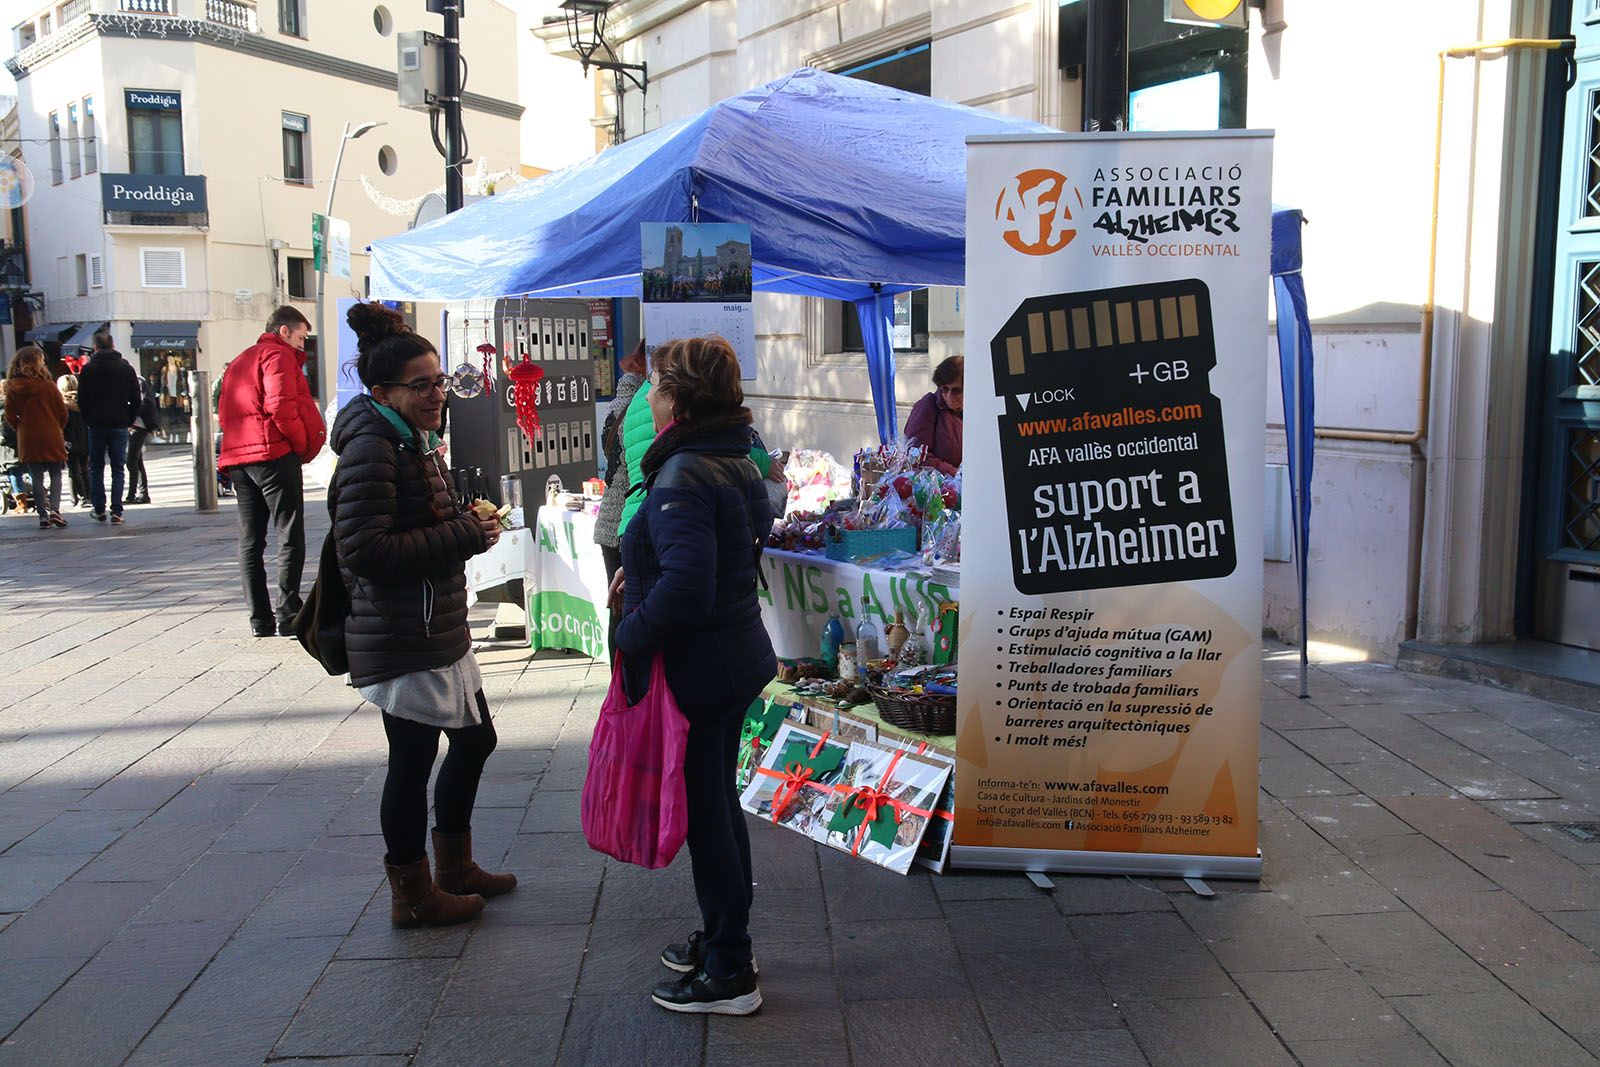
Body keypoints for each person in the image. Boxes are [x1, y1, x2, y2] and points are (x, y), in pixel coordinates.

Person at [332, 301, 515, 929]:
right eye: (422, 386)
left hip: (434, 625)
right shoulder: (372, 448)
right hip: (402, 632)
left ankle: (454, 867)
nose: (437, 394)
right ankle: (413, 893)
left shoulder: (409, 438)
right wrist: (463, 533)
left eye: (440, 381)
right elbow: (366, 550)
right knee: (410, 764)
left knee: (475, 739)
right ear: (383, 392)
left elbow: (415, 526)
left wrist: (467, 527)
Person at [615, 335, 776, 1016]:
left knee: (708, 813)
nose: (649, 396)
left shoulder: (685, 470)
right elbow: (738, 538)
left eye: (656, 386)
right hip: (733, 654)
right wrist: (647, 568)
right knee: (717, 805)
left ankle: (731, 968)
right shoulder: (732, 455)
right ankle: (724, 936)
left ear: (677, 398)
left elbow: (689, 587)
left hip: (705, 664)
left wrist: (630, 632)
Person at [218, 307, 327, 638]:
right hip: (273, 454)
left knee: (250, 540)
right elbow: (280, 406)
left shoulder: (240, 360)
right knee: (289, 533)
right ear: (283, 331)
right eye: (300, 337)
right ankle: (287, 611)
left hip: (240, 458)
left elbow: (225, 409)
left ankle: (259, 618)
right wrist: (299, 443)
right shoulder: (277, 357)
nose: (302, 345)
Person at [592, 340, 648, 656]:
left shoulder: (615, 407)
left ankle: (617, 683)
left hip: (607, 522)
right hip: (626, 521)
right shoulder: (641, 409)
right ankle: (623, 685)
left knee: (617, 608)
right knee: (628, 611)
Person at [76, 330, 141, 525]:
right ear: (113, 346)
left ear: (95, 348)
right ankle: (117, 511)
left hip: (96, 425)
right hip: (119, 423)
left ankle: (99, 508)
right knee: (118, 468)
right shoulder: (125, 369)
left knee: (95, 467)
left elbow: (82, 400)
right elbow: (136, 399)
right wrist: (128, 418)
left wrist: (88, 419)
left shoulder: (87, 370)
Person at [3, 347, 69, 530]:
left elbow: (9, 415)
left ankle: (42, 516)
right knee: (56, 474)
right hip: (51, 433)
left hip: (28, 437)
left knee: (36, 476)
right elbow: (63, 413)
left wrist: (21, 428)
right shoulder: (48, 386)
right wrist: (57, 427)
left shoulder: (13, 387)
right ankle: (55, 510)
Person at [903, 354, 963, 475]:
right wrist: (955, 473)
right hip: (936, 487)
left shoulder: (977, 412)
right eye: (945, 389)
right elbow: (917, 455)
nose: (949, 396)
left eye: (956, 390)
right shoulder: (927, 407)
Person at [125, 377, 160, 505]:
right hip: (135, 427)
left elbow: (146, 403)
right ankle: (143, 493)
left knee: (131, 461)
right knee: (137, 461)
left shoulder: (137, 381)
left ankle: (132, 495)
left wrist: (130, 411)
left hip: (138, 427)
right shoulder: (134, 381)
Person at [58, 374, 89, 507]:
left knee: (73, 470)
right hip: (84, 438)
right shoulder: (83, 401)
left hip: (68, 440)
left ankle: (76, 497)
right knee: (85, 468)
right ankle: (87, 495)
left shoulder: (61, 403)